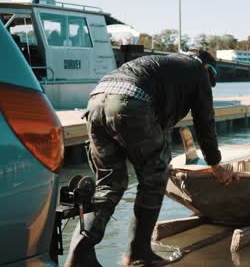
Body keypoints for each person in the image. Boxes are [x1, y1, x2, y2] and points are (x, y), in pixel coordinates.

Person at [64, 49, 234, 267]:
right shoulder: (197, 70)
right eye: (211, 81)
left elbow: (158, 116)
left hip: (96, 101)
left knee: (108, 185)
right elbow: (205, 124)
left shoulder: (165, 67)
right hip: (131, 102)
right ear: (208, 70)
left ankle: (80, 254)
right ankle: (139, 254)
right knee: (154, 179)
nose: (208, 86)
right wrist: (215, 164)